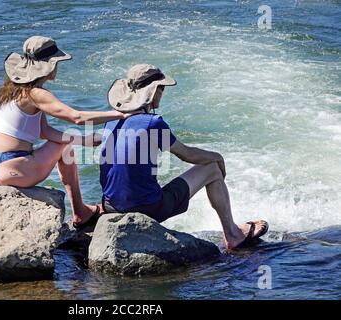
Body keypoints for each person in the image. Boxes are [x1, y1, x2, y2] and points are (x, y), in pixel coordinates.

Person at [99, 64, 268, 249]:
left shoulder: (111, 121)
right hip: (147, 208)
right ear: (152, 91)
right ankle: (233, 234)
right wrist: (217, 157)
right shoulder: (153, 123)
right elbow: (187, 155)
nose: (162, 92)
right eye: (161, 87)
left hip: (110, 206)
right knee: (211, 168)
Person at [0, 36, 135, 229]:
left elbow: (44, 131)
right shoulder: (36, 94)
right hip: (14, 170)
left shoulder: (11, 90)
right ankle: (80, 211)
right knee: (64, 148)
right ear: (49, 65)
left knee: (64, 144)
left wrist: (84, 140)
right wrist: (120, 114)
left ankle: (80, 210)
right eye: (57, 62)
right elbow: (76, 117)